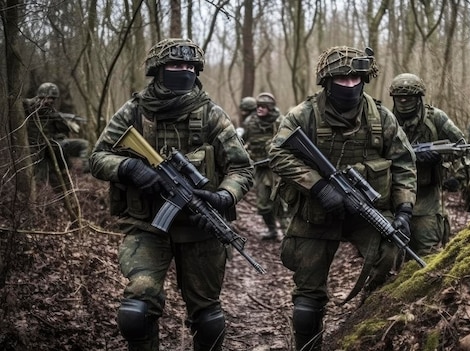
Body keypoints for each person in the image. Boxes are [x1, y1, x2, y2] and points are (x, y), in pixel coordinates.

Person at [89, 38, 254, 351]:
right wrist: (129, 168)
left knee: (207, 316)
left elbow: (242, 169)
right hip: (147, 227)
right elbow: (97, 157)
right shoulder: (134, 112)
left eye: (191, 67)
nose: (185, 71)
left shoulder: (211, 115)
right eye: (176, 65)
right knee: (136, 311)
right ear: (158, 70)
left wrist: (223, 197)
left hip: (199, 229)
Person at [267, 46, 417, 351]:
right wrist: (320, 187)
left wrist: (403, 209)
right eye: (342, 79)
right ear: (327, 80)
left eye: (355, 79)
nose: (349, 85)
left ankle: (366, 316)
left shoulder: (381, 118)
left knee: (391, 249)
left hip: (365, 210)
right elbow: (277, 154)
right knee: (308, 298)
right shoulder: (303, 115)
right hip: (316, 211)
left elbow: (403, 163)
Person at [388, 73, 466, 255]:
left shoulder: (436, 118)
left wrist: (440, 158)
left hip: (427, 195)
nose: (404, 101)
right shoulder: (385, 120)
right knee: (391, 251)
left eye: (409, 97)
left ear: (419, 98)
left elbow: (461, 146)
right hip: (393, 193)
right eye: (399, 97)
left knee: (427, 249)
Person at [23, 82, 90, 185]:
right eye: (48, 97)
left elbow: (59, 130)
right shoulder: (29, 107)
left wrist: (68, 123)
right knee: (40, 180)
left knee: (83, 144)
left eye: (53, 99)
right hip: (38, 151)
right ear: (40, 96)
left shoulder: (52, 112)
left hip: (53, 147)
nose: (50, 101)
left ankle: (85, 170)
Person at [242, 92, 283, 240]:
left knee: (282, 204)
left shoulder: (280, 122)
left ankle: (288, 235)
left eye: (263, 107)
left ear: (270, 108)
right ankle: (272, 230)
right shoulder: (250, 122)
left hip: (279, 169)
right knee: (263, 205)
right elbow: (240, 141)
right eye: (258, 106)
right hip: (260, 169)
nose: (259, 109)